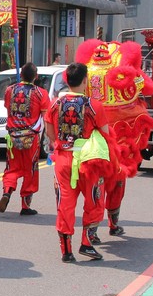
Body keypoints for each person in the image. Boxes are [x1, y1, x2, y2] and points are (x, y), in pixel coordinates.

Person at [44, 63, 111, 262]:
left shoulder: (55, 104)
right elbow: (106, 134)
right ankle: (87, 243)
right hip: (88, 162)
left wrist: (59, 143)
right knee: (95, 200)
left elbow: (49, 131)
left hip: (63, 160)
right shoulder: (93, 105)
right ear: (85, 80)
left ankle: (66, 250)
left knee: (65, 203)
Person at [0, 62, 51, 216]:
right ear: (36, 77)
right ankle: (25, 205)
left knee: (12, 168)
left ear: (21, 75)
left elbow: (8, 108)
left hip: (13, 136)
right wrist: (49, 139)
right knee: (30, 170)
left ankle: (7, 191)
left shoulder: (9, 90)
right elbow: (45, 116)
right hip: (31, 138)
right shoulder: (40, 93)